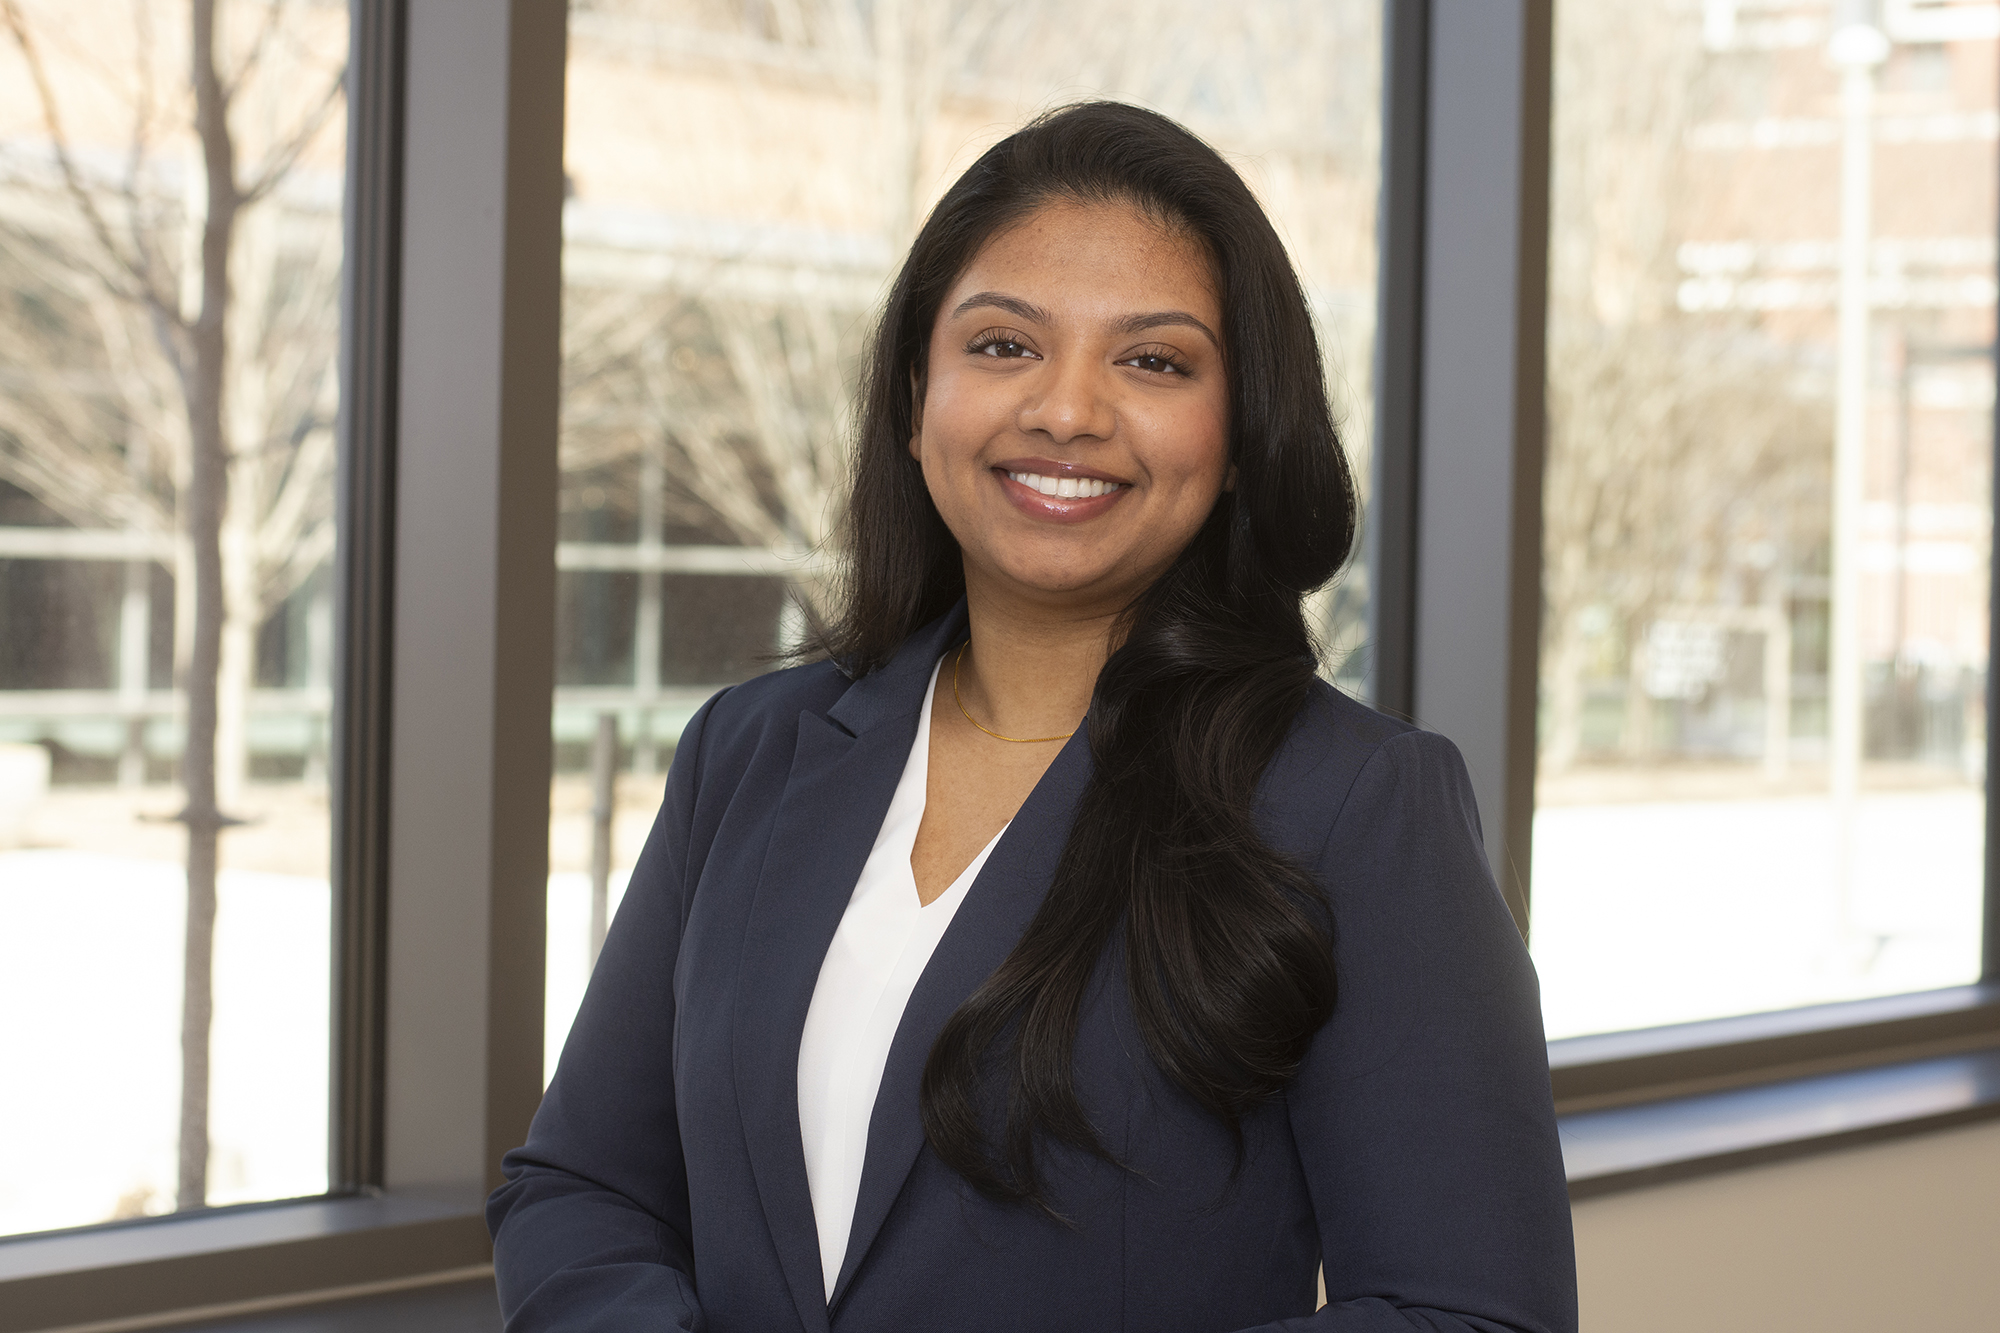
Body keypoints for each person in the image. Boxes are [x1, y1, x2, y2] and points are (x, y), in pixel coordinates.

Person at [487, 101, 1576, 1333]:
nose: (1064, 411)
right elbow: (581, 1189)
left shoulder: (1352, 805)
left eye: (1152, 360)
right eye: (1003, 345)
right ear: (916, 397)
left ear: (1238, 438)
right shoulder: (749, 753)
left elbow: (1471, 1313)